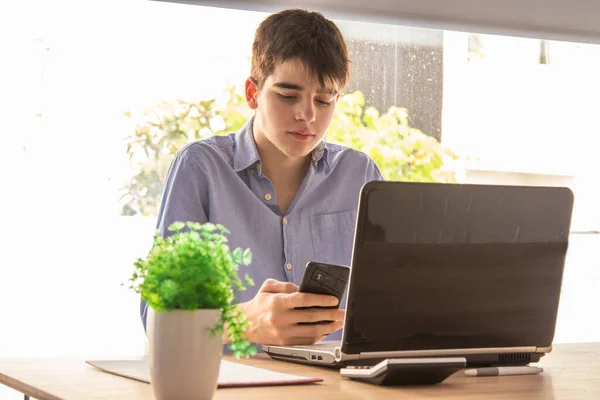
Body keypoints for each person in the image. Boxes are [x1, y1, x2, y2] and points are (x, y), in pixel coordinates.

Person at [140, 8, 383, 347]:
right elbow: (160, 321)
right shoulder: (201, 168)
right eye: (288, 96)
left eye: (324, 100)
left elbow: (387, 304)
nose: (307, 115)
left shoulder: (360, 175)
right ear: (252, 93)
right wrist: (244, 322)